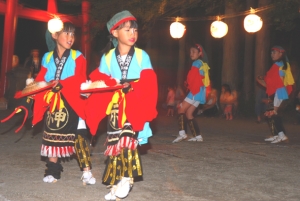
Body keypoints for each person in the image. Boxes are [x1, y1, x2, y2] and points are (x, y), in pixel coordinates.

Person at [84, 10, 157, 200]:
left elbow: (150, 82)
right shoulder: (108, 57)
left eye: (135, 30)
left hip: (135, 104)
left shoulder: (142, 56)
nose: (133, 34)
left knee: (127, 140)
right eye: (127, 30)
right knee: (116, 143)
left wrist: (132, 86)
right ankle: (116, 184)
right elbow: (101, 79)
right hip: (115, 106)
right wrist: (91, 87)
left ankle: (126, 179)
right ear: (115, 33)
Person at [32, 21, 96, 184]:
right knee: (52, 136)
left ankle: (87, 172)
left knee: (80, 136)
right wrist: (34, 87)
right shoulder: (47, 57)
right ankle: (52, 171)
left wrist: (60, 83)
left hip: (74, 101)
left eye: (73, 34)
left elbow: (80, 77)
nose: (71, 37)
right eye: (66, 33)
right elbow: (42, 78)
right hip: (55, 101)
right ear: (54, 36)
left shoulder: (77, 56)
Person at [172, 43, 210, 143]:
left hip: (195, 91)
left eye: (194, 52)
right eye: (190, 52)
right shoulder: (203, 64)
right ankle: (198, 136)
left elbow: (192, 79)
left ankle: (182, 134)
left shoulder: (196, 63)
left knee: (181, 109)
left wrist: (189, 87)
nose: (191, 54)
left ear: (200, 53)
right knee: (189, 113)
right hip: (200, 93)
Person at [263, 46, 294, 143]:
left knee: (274, 114)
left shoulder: (281, 65)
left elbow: (279, 80)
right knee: (271, 114)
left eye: (274, 52)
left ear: (281, 54)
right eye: (271, 53)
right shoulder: (280, 64)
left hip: (279, 92)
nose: (272, 54)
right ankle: (276, 134)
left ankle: (281, 135)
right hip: (276, 91)